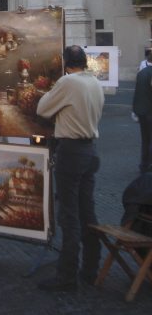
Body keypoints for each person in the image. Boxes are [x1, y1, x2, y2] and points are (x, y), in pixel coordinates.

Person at [36, 45, 104, 291]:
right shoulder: (95, 83)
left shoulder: (68, 82)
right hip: (90, 150)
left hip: (71, 151)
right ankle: (90, 269)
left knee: (69, 215)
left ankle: (66, 276)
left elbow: (42, 108)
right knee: (88, 212)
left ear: (66, 63)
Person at [132, 55, 152, 174]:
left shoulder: (142, 73)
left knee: (145, 139)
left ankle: (144, 165)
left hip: (142, 111)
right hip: (150, 110)